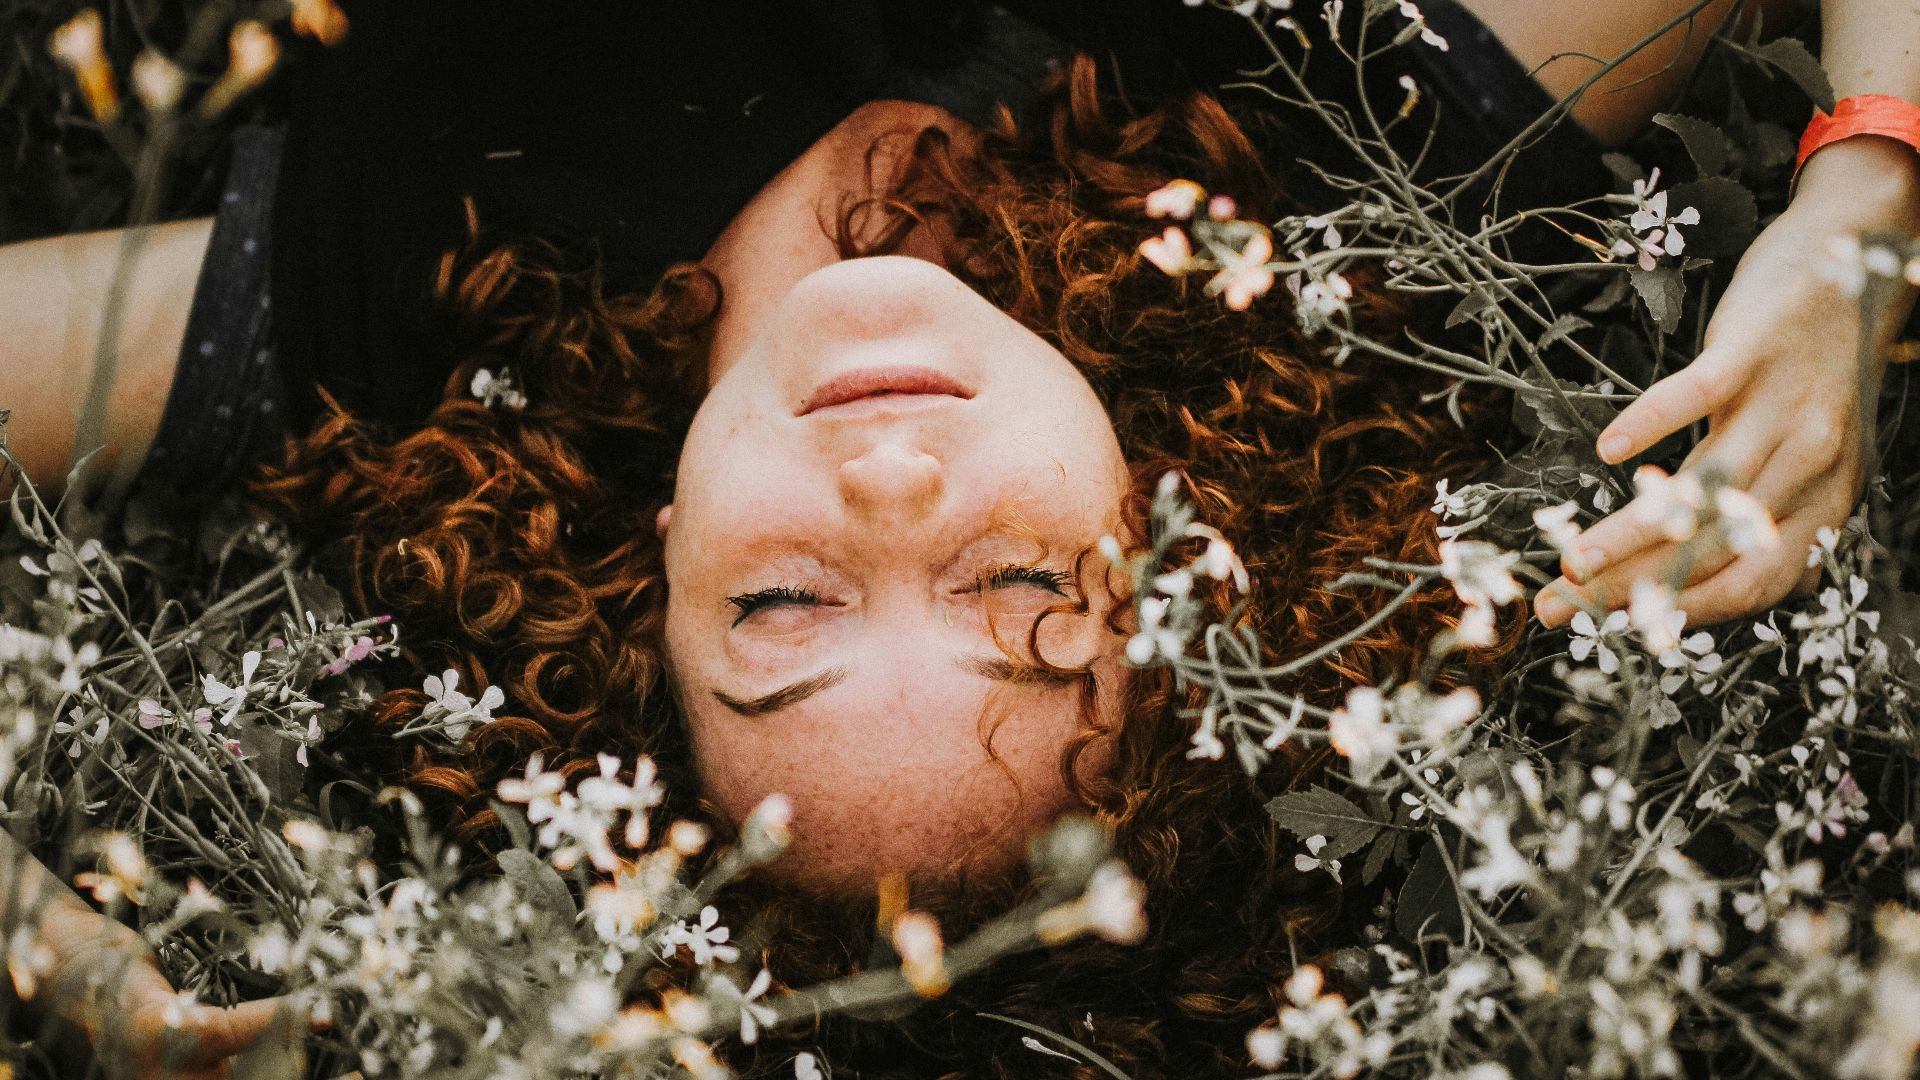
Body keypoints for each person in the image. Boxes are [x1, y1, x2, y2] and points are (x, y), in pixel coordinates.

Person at [0, 0, 1914, 1074]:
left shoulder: (377, 307)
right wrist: (1861, 221)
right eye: (1020, 593)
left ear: (653, 566)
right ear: (1169, 542)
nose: (893, 494)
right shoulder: (1318, 155)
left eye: (782, 605)